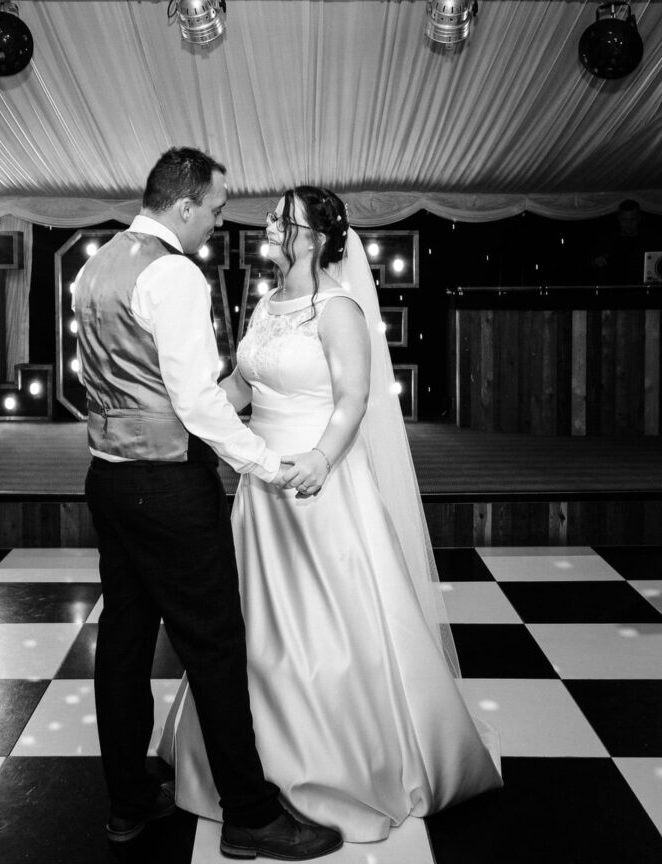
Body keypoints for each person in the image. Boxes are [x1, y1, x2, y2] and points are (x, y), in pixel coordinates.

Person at [158, 186, 504, 843]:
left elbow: (354, 398)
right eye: (271, 217)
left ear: (315, 238)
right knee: (254, 629)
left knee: (326, 630)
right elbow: (240, 385)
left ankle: (338, 765)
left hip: (321, 487)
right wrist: (186, 404)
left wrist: (320, 457)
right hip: (262, 489)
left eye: (282, 220)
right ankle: (248, 767)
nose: (269, 225)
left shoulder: (338, 308)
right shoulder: (265, 303)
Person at [73, 148, 342, 860]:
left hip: (108, 478)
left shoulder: (95, 264)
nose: (218, 226)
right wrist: (268, 463)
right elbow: (195, 402)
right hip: (169, 484)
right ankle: (251, 816)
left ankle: (129, 802)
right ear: (184, 203)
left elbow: (113, 380)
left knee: (125, 646)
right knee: (216, 647)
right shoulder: (174, 274)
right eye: (217, 210)